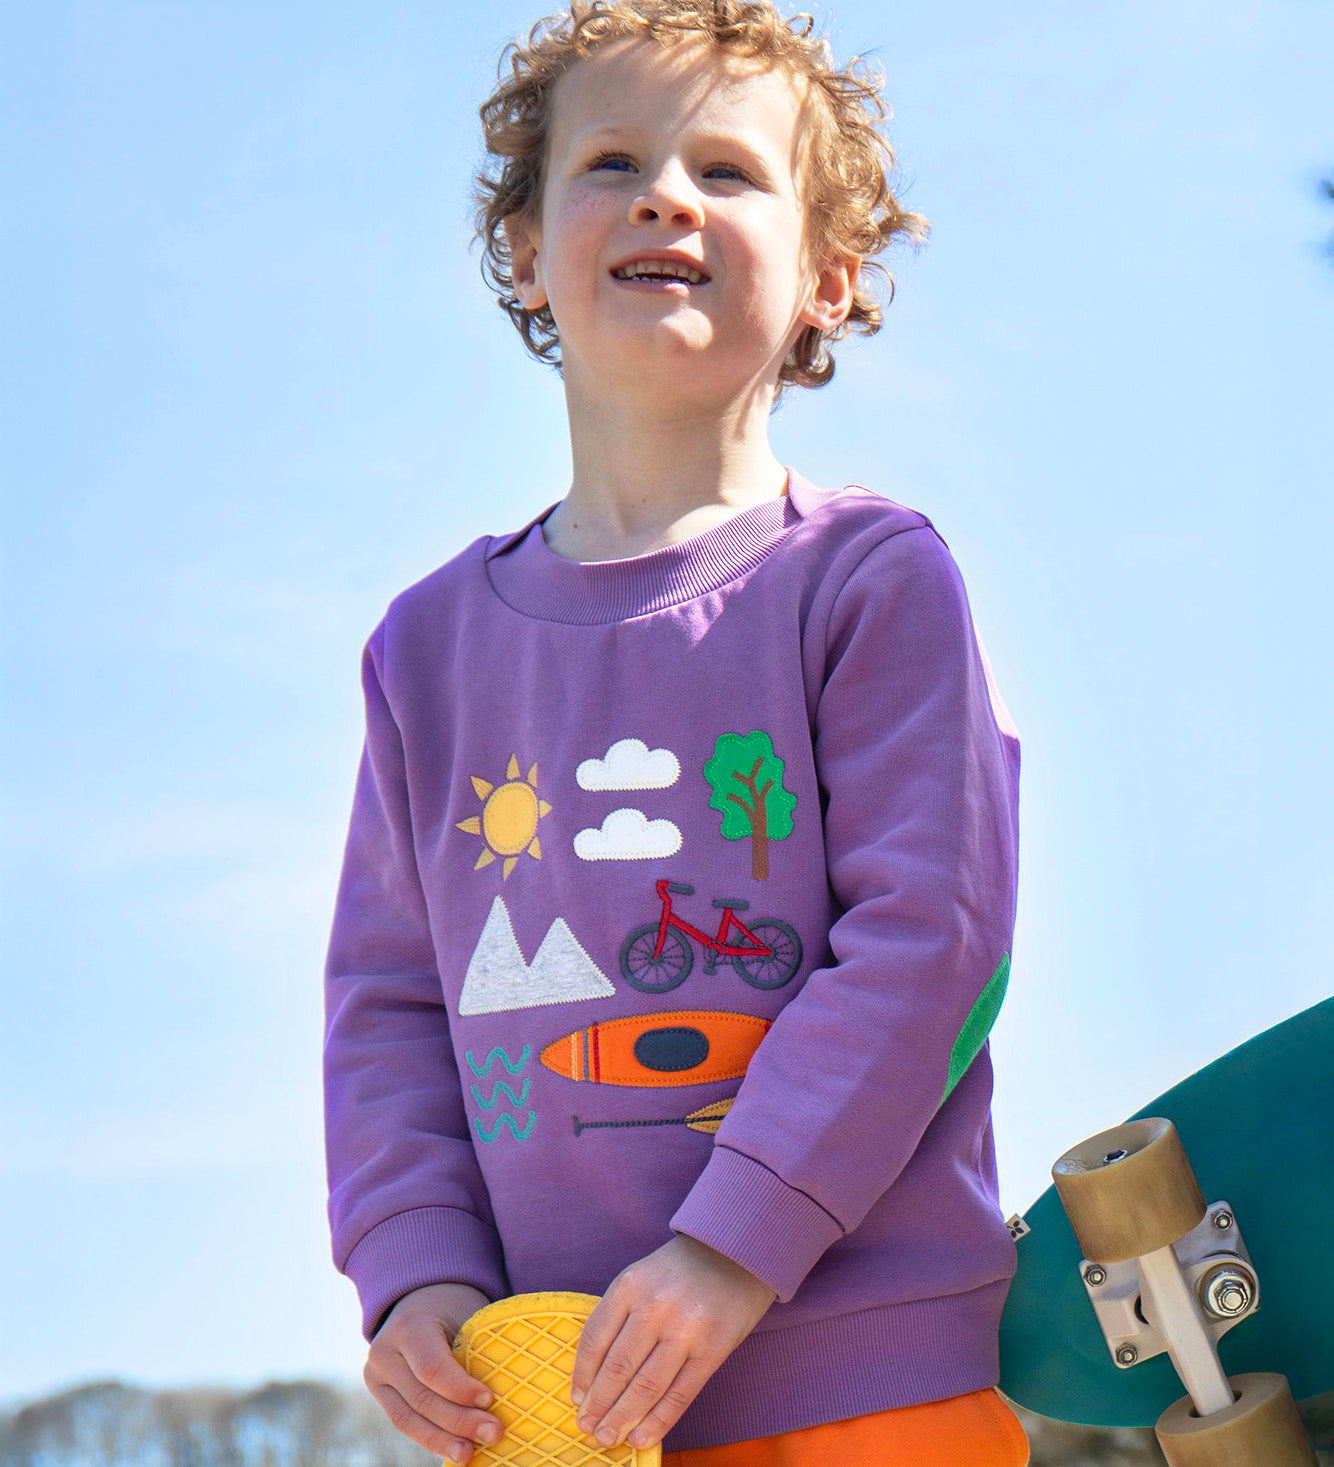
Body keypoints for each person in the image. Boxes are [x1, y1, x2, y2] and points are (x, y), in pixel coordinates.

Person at [323, 2, 1028, 1463]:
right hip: (552, 1410)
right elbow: (388, 1009)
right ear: (522, 250)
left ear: (832, 273)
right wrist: (416, 1275)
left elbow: (930, 942)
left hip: (864, 1381)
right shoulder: (424, 651)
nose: (665, 194)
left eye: (727, 169)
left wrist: (731, 1249)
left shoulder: (868, 579)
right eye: (613, 162)